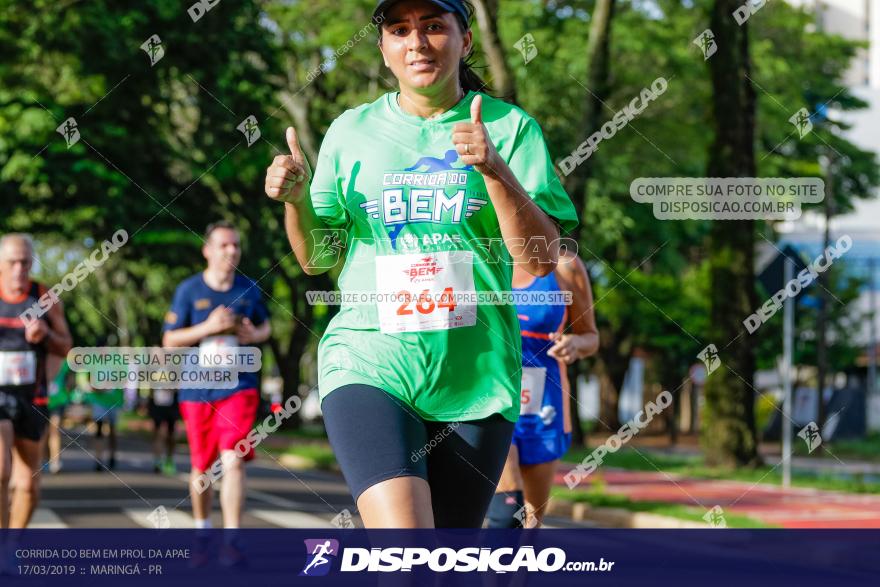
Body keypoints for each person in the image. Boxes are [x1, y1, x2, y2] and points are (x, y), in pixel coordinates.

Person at [264, 0, 577, 528]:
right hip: (369, 361)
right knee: (405, 548)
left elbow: (541, 260)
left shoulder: (511, 128)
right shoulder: (351, 131)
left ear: (465, 40)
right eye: (400, 30)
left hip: (475, 378)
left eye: (434, 27)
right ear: (385, 49)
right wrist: (297, 202)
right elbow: (318, 261)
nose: (417, 42)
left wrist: (495, 170)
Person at [162, 221, 271, 532]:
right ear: (207, 251)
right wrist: (207, 328)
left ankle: (232, 540)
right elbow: (169, 340)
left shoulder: (249, 287)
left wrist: (254, 333)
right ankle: (203, 528)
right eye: (224, 245)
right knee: (202, 466)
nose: (232, 250)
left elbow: (266, 327)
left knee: (233, 459)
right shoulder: (189, 290)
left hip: (240, 386)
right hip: (197, 390)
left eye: (235, 244)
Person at [486, 251, 599, 529]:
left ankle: (520, 572)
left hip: (546, 403)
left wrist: (575, 343)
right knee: (506, 512)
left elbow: (590, 336)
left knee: (531, 520)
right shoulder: (483, 254)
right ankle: (494, 572)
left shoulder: (566, 267)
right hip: (492, 398)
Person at [0, 234, 72, 528]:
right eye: (12, 262)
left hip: (33, 397)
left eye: (25, 263)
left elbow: (67, 346)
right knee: (1, 471)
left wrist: (46, 335)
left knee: (28, 486)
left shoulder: (44, 297)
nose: (19, 269)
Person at [79, 369, 123, 471]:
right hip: (99, 400)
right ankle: (98, 459)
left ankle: (112, 456)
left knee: (112, 431)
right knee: (99, 430)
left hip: (113, 400)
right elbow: (89, 378)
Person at [43, 354, 71, 474]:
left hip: (58, 401)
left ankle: (55, 461)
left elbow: (69, 379)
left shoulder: (64, 362)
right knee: (43, 432)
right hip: (42, 401)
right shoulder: (40, 357)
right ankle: (43, 459)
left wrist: (68, 391)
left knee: (55, 429)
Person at [148, 388, 179, 476]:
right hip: (157, 404)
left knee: (171, 435)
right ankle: (157, 461)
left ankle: (169, 460)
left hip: (172, 404)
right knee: (158, 433)